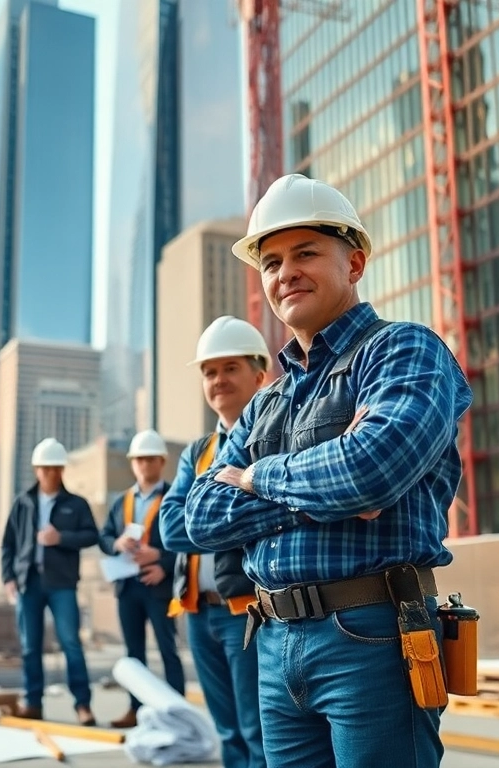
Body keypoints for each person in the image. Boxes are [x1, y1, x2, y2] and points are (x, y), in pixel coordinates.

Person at [184, 173, 474, 768]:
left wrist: (257, 475)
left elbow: (369, 469)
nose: (285, 272)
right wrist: (324, 484)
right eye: (271, 261)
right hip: (272, 641)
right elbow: (201, 518)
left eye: (306, 252)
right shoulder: (269, 399)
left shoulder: (404, 351)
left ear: (355, 262)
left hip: (372, 635)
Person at [158, 316, 271, 768]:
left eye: (230, 368)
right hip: (196, 611)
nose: (218, 380)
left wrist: (205, 518)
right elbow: (170, 529)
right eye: (209, 371)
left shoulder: (272, 441)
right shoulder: (197, 451)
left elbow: (274, 517)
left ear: (259, 375)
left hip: (244, 609)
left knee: (256, 730)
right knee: (228, 731)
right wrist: (230, 515)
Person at [0, 437, 100, 726]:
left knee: (71, 643)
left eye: (55, 468)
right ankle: (33, 703)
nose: (50, 473)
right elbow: (7, 544)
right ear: (36, 469)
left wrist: (61, 539)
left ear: (62, 470)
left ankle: (83, 705)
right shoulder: (23, 503)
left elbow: (92, 535)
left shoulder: (76, 504)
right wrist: (8, 578)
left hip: (62, 584)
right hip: (28, 583)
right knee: (30, 646)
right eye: (45, 468)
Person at [97, 429, 183, 728]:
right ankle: (135, 710)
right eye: (139, 460)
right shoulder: (121, 502)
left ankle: (176, 713)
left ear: (161, 462)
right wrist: (116, 543)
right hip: (128, 587)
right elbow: (104, 536)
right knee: (133, 654)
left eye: (150, 459)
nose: (144, 465)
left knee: (167, 650)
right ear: (133, 463)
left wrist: (162, 562)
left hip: (159, 587)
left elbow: (188, 544)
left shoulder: (175, 498)